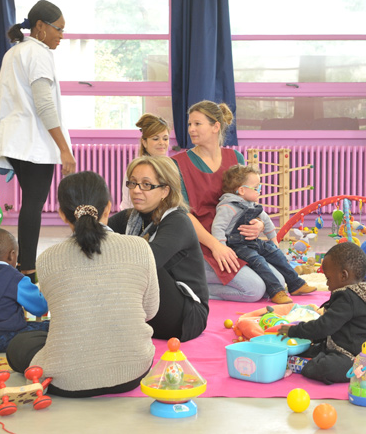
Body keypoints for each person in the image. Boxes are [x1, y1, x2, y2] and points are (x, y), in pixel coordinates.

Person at [5, 171, 159, 398]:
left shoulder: (47, 258)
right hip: (133, 372)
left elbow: (57, 311)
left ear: (61, 215)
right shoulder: (139, 247)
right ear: (108, 208)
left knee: (19, 344)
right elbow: (150, 311)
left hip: (67, 382)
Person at [0, 0, 76, 282]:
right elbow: (44, 105)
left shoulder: (13, 53)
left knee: (30, 204)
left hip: (15, 142)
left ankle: (25, 266)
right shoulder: (38, 54)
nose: (62, 36)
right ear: (40, 27)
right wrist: (64, 149)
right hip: (34, 145)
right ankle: (27, 269)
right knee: (33, 206)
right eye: (58, 29)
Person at [172, 100, 284, 302]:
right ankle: (187, 284)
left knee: (278, 284)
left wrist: (258, 225)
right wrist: (216, 246)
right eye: (190, 124)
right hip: (201, 243)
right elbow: (184, 215)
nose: (191, 129)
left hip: (236, 241)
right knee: (254, 290)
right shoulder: (178, 163)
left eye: (197, 124)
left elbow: (248, 198)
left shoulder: (236, 158)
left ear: (216, 126)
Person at [108, 155, 209, 342]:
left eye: (146, 185)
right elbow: (96, 237)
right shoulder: (129, 218)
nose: (136, 191)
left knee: (141, 258)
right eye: (133, 183)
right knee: (108, 247)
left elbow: (146, 263)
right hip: (154, 311)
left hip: (187, 317)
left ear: (165, 191)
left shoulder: (178, 221)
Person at [275, 242, 366, 385]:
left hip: (355, 356)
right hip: (339, 343)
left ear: (343, 275)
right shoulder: (358, 292)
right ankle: (311, 357)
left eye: (328, 278)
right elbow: (333, 326)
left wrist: (295, 330)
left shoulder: (347, 297)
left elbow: (324, 326)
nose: (327, 284)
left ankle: (305, 365)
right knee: (306, 350)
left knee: (325, 367)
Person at [211, 164, 315, 305]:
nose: (260, 191)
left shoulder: (252, 205)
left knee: (277, 255)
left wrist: (274, 240)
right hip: (238, 246)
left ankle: (296, 284)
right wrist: (222, 247)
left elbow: (266, 221)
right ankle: (276, 291)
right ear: (241, 190)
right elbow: (218, 228)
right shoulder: (228, 206)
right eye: (257, 188)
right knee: (259, 262)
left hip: (254, 242)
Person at [118, 113, 172, 210]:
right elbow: (127, 204)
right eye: (155, 139)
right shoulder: (136, 169)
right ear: (144, 142)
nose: (162, 143)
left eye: (165, 138)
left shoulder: (171, 167)